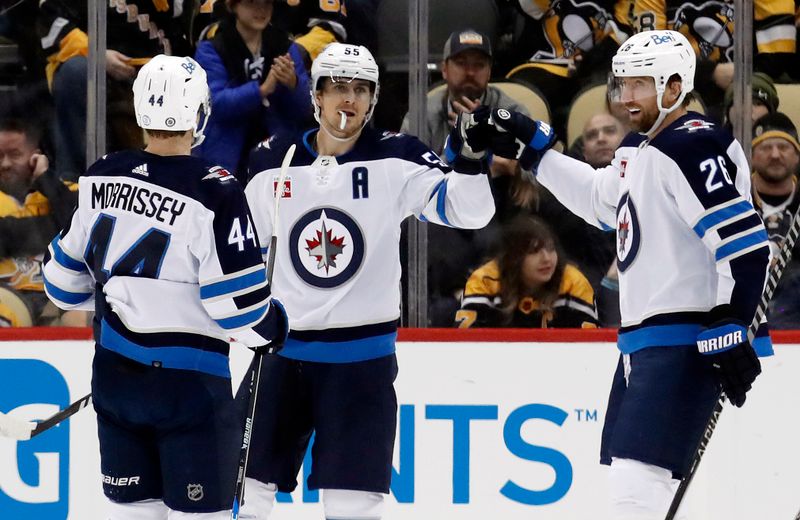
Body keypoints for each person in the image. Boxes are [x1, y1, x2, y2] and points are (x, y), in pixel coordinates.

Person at [483, 30, 772, 518]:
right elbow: (601, 199)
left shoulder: (693, 145)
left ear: (674, 87)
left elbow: (745, 242)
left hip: (681, 339)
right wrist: (537, 153)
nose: (625, 97)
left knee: (636, 488)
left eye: (640, 84)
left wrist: (734, 318)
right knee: (633, 482)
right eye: (622, 85)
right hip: (642, 341)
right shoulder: (641, 149)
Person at [239, 43, 495, 519]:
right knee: (243, 495)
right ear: (316, 94)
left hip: (361, 365)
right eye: (337, 87)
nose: (348, 99)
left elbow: (471, 211)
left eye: (360, 89)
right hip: (280, 359)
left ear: (373, 98)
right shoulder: (272, 160)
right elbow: (237, 256)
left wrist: (472, 161)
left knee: (353, 508)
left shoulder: (398, 156)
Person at [42, 55, 288, 519]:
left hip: (115, 382)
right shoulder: (214, 188)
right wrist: (275, 327)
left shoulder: (101, 174)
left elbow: (62, 286)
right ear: (199, 111)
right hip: (189, 391)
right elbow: (237, 308)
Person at [36, 0, 195, 180]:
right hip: (87, 64)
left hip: (153, 66)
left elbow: (180, 28)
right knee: (75, 72)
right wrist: (96, 53)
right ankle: (75, 182)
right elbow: (51, 20)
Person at [194, 0, 311, 178]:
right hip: (225, 155)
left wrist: (293, 84)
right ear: (232, 5)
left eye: (267, 3)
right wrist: (261, 90)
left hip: (277, 153)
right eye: (252, 3)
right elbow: (215, 104)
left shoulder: (285, 46)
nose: (261, 9)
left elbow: (305, 109)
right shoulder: (211, 49)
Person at [400, 28, 529, 156]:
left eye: (479, 65)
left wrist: (488, 141)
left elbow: (534, 172)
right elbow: (410, 172)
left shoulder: (513, 113)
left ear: (489, 72)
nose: (470, 73)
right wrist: (464, 147)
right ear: (444, 69)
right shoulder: (421, 116)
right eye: (461, 63)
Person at [0, 119, 79, 326]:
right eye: (0, 156)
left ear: (35, 154)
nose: (5, 163)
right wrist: (56, 225)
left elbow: (84, 227)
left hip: (62, 298)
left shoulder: (67, 190)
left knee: (84, 319)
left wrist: (46, 180)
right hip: (8, 295)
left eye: (15, 155)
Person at [456, 215, 598, 328]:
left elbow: (590, 349)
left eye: (551, 249)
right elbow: (465, 344)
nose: (547, 259)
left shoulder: (573, 282)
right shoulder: (485, 281)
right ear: (512, 257)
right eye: (533, 251)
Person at [750, 112, 800, 328]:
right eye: (766, 147)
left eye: (783, 147)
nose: (775, 154)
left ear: (797, 155)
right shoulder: (733, 198)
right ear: (751, 155)